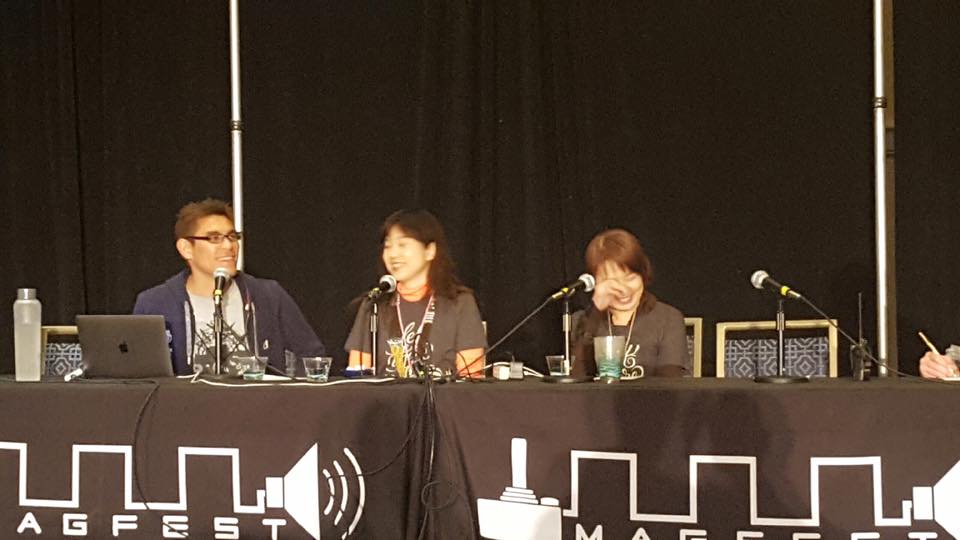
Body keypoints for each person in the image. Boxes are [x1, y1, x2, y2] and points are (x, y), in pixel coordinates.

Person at [133, 198, 324, 375]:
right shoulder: (155, 303)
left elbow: (310, 356)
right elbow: (139, 375)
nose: (229, 246)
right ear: (186, 249)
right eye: (214, 238)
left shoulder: (268, 295)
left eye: (232, 237)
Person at [344, 209, 486, 378]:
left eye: (402, 245)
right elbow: (356, 380)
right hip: (386, 396)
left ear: (430, 251)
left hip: (441, 395)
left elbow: (472, 380)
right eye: (388, 246)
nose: (393, 254)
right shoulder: (374, 304)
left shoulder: (460, 302)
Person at [570, 228, 689, 378]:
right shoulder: (581, 321)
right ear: (595, 282)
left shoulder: (668, 318)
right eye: (612, 282)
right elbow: (575, 381)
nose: (623, 290)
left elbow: (671, 382)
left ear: (643, 275)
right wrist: (595, 313)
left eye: (630, 278)